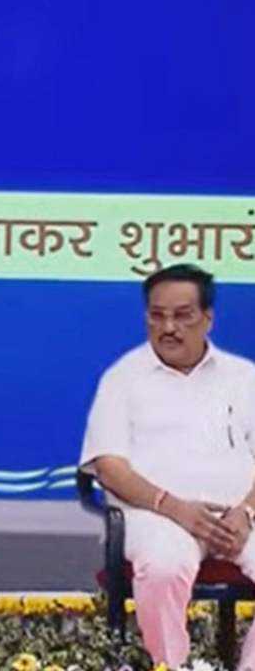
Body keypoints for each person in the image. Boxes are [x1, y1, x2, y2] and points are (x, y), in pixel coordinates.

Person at [81, 263, 255, 669]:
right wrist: (175, 508)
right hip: (157, 516)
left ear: (207, 318)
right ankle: (170, 666)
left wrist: (246, 511)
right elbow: (109, 466)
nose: (169, 327)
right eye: (157, 316)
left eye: (182, 315)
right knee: (163, 567)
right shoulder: (122, 379)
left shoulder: (245, 378)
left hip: (239, 519)